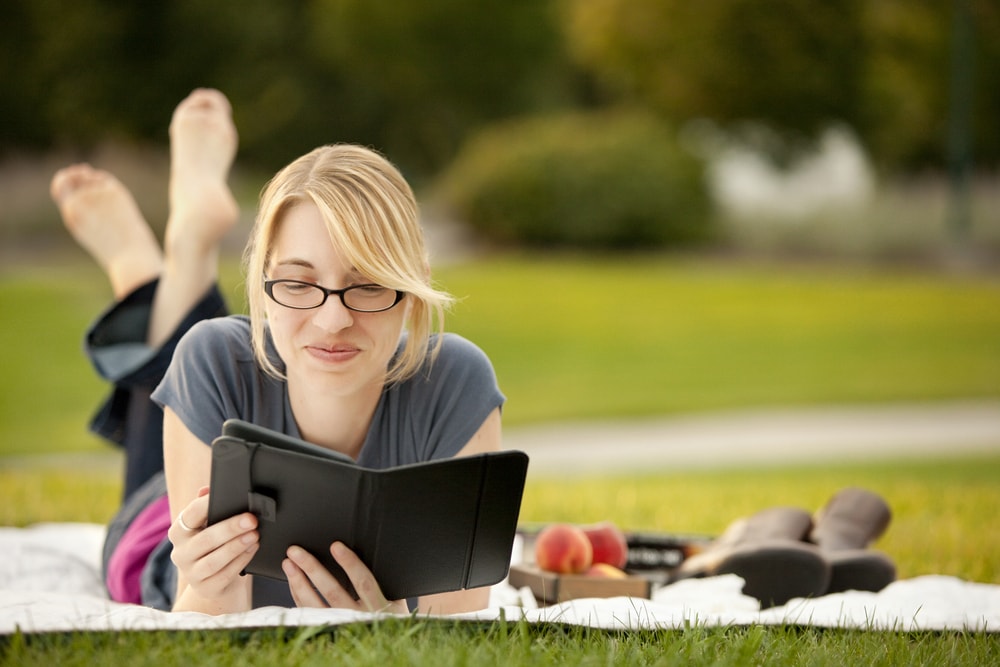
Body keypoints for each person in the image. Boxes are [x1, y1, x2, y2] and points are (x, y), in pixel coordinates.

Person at [50, 89, 504, 616]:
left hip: (222, 400)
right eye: (296, 283)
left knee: (202, 356)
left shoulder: (457, 385)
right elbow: (195, 620)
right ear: (262, 280)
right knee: (197, 364)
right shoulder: (213, 359)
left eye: (367, 285)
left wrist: (390, 628)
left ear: (413, 287)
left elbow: (457, 628)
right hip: (160, 528)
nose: (333, 320)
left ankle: (160, 268)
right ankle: (150, 261)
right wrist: (213, 588)